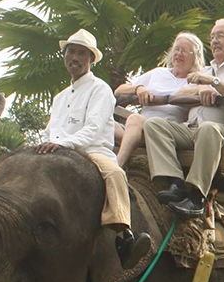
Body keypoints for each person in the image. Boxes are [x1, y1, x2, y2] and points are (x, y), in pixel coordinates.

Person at [38, 29, 151, 269]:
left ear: (91, 59)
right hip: (59, 151)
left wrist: (63, 144)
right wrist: (50, 145)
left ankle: (125, 236)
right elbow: (52, 130)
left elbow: (93, 129)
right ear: (64, 56)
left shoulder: (100, 89)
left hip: (92, 151)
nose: (75, 57)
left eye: (81, 53)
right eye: (71, 52)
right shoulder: (59, 98)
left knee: (115, 173)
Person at [145, 18, 224, 219]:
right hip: (190, 128)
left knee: (208, 128)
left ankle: (196, 196)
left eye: (220, 35)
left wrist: (215, 84)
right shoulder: (205, 70)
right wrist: (203, 87)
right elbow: (182, 91)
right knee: (154, 125)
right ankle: (175, 182)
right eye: (212, 37)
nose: (214, 41)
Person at [112, 33, 207, 167]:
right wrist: (138, 89)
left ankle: (117, 165)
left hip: (165, 130)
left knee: (134, 119)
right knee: (104, 122)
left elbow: (208, 91)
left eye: (184, 51)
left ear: (195, 56)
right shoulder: (158, 73)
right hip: (136, 129)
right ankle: (133, 141)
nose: (178, 54)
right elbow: (119, 90)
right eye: (176, 49)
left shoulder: (197, 81)